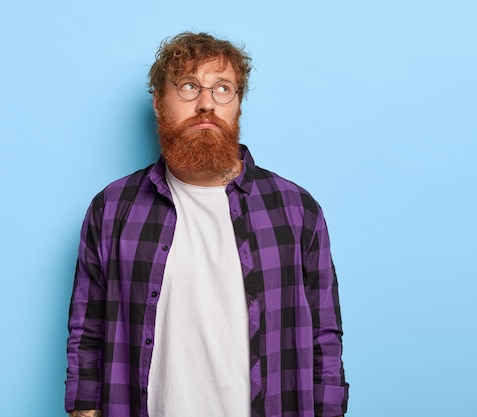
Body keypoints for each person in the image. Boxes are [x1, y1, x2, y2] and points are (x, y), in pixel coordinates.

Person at [65, 32, 348, 417]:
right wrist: (82, 409)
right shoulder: (113, 208)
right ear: (158, 102)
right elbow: (87, 331)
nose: (205, 104)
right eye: (188, 87)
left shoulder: (295, 209)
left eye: (223, 88)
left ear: (238, 106)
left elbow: (323, 337)